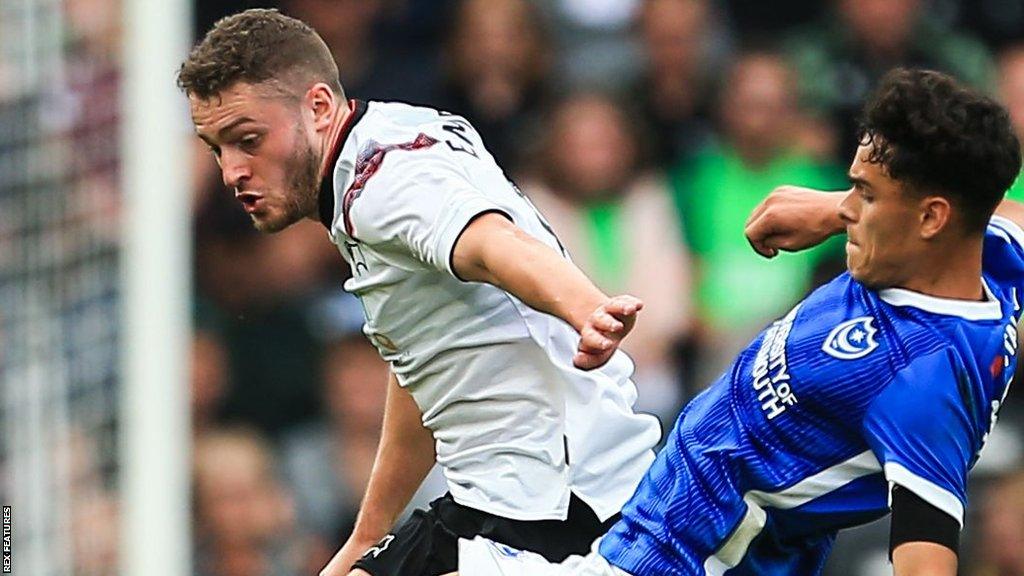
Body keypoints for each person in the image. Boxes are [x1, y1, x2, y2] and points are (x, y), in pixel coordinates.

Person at [457, 69, 1023, 576]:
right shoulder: (996, 252)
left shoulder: (921, 381)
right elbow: (995, 207)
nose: (848, 206)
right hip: (643, 503)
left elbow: (926, 561)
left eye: (866, 194)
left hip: (674, 561)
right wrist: (831, 210)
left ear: (931, 218)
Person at [176, 9, 661, 576]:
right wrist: (365, 538)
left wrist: (587, 309)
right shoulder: (390, 134)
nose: (232, 171)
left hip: (554, 505)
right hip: (508, 493)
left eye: (248, 140)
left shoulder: (381, 187)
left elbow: (490, 244)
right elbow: (426, 364)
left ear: (318, 107)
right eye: (216, 148)